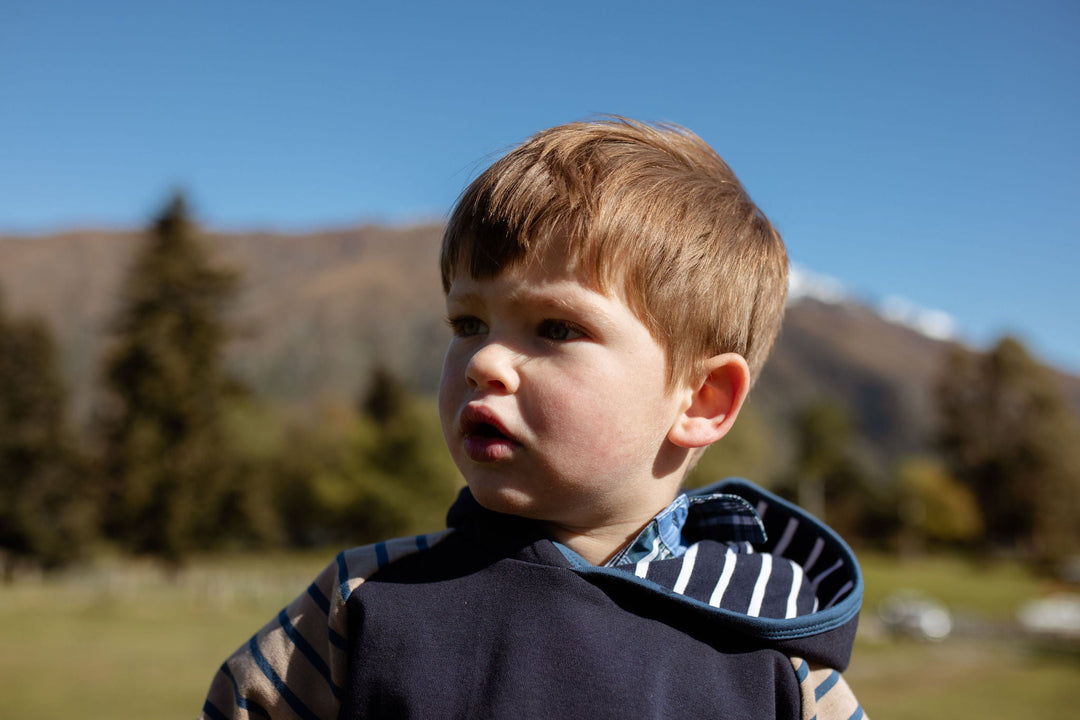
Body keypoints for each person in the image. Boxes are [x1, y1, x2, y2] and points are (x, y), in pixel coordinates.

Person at [200, 117, 867, 720]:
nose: (484, 361)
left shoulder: (773, 650)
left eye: (555, 328)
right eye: (468, 323)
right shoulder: (367, 599)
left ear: (701, 400)